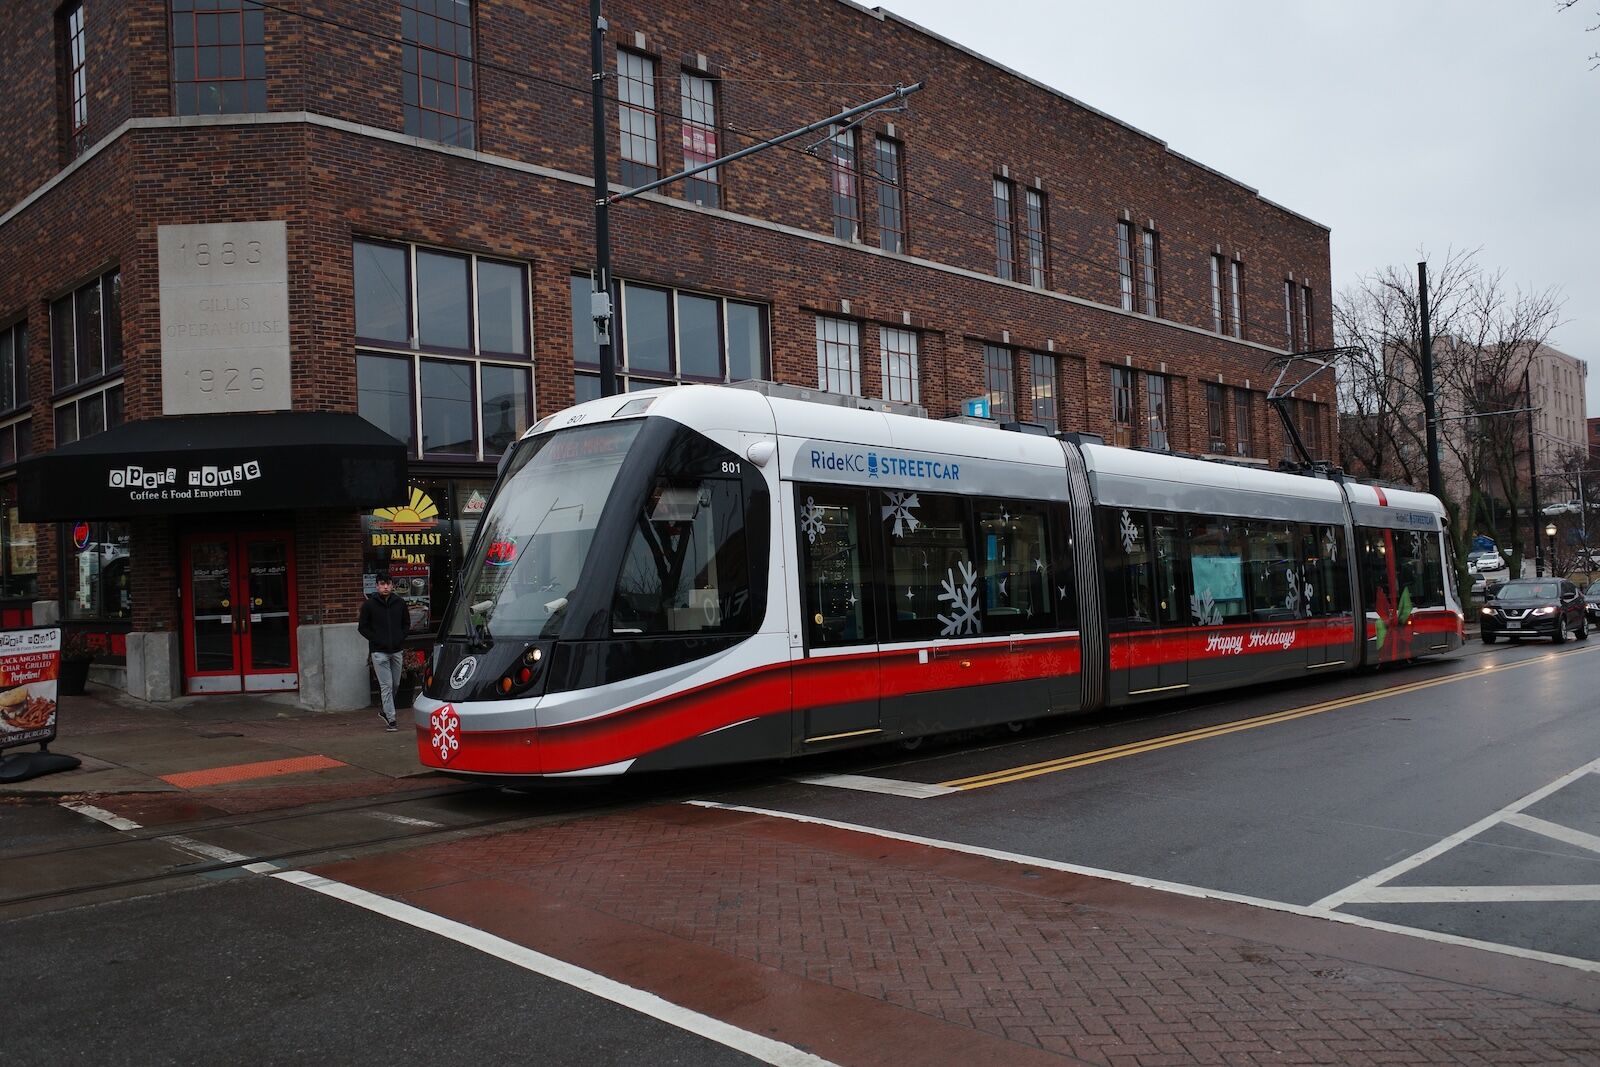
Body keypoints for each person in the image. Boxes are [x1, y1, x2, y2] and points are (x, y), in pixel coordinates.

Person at [358, 572, 409, 731]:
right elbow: (362, 627)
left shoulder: (400, 603)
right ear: (377, 586)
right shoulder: (369, 605)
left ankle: (386, 711)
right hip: (379, 651)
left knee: (396, 683)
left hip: (396, 650)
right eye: (382, 584)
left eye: (388, 584)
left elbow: (406, 624)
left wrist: (400, 637)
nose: (385, 587)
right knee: (386, 685)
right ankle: (391, 719)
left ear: (392, 585)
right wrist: (376, 639)